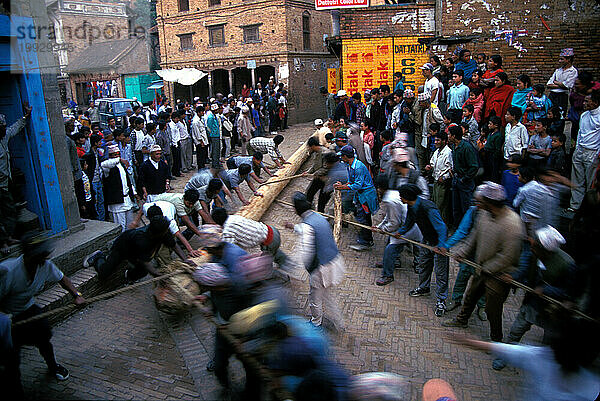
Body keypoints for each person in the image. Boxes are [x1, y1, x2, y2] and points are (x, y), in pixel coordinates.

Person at [1, 234, 85, 397]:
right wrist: (3, 318)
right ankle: (15, 387)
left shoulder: (45, 265)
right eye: (39, 255)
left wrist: (77, 294)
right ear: (28, 255)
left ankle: (53, 366)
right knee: (12, 355)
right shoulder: (7, 270)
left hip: (28, 308)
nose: (44, 257)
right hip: (7, 317)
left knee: (44, 337)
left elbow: (63, 279)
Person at [442, 182, 525, 343]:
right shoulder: (483, 215)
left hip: (498, 276)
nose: (477, 204)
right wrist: (463, 252)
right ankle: (462, 320)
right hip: (481, 268)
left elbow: (508, 256)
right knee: (470, 296)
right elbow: (474, 236)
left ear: (490, 203)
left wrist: (487, 268)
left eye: (480, 202)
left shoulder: (512, 224)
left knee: (492, 310)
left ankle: (496, 340)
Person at [492, 225, 582, 371]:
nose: (532, 247)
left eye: (536, 246)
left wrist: (546, 290)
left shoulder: (567, 265)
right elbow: (524, 270)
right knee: (516, 330)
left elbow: (569, 293)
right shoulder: (533, 253)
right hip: (533, 303)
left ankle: (543, 367)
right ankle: (506, 356)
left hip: (553, 311)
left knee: (548, 342)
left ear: (546, 251)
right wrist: (513, 277)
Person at [452, 321, 600, 401]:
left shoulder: (592, 388)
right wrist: (468, 342)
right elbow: (505, 349)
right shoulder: (542, 357)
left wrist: (468, 342)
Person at [287, 192, 346, 330]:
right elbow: (307, 230)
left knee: (315, 297)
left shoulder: (307, 225)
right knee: (327, 295)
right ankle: (339, 322)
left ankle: (315, 323)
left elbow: (306, 252)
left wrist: (298, 269)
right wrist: (294, 227)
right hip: (334, 261)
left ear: (296, 209)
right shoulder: (317, 217)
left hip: (322, 268)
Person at [84, 215, 195, 284]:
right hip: (122, 248)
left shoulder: (163, 232)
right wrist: (158, 275)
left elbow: (174, 245)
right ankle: (98, 257)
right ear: (157, 233)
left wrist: (185, 260)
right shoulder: (142, 239)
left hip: (136, 252)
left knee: (142, 272)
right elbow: (145, 262)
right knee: (104, 273)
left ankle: (128, 277)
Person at [396, 184, 449, 316]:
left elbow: (441, 228)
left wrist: (441, 245)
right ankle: (424, 287)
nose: (400, 198)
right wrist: (401, 232)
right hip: (426, 241)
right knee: (424, 265)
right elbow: (409, 221)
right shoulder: (411, 206)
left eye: (401, 196)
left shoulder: (428, 207)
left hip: (439, 244)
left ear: (407, 197)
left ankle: (441, 300)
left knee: (440, 273)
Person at [442, 188, 486, 321]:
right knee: (462, 276)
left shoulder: (496, 217)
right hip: (470, 253)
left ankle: (481, 306)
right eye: (476, 201)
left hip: (485, 257)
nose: (477, 204)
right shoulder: (473, 212)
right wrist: (446, 246)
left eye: (480, 201)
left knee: (482, 284)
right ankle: (456, 299)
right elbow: (462, 231)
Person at [373, 176, 422, 286]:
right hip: (407, 225)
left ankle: (387, 275)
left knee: (390, 248)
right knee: (390, 242)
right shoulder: (392, 194)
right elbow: (389, 216)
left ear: (380, 188)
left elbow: (394, 222)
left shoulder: (390, 200)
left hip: (410, 227)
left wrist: (383, 229)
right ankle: (391, 262)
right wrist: (379, 226)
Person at [212, 207, 288, 270]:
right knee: (273, 252)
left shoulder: (227, 231)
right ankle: (286, 263)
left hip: (270, 241)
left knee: (264, 268)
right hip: (272, 231)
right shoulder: (233, 217)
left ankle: (279, 278)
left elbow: (227, 249)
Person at [334, 145, 379, 251]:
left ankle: (365, 242)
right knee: (362, 216)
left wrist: (343, 187)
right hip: (360, 195)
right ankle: (366, 239)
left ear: (345, 156)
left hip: (366, 196)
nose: (341, 158)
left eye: (342, 156)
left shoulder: (358, 167)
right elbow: (351, 182)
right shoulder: (350, 166)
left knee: (363, 218)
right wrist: (343, 185)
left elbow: (357, 185)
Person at [567, 91, 600, 212]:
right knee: (577, 180)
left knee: (590, 182)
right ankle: (575, 206)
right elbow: (580, 133)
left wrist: (597, 154)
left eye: (587, 101)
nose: (584, 103)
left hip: (592, 152)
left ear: (595, 102)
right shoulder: (584, 115)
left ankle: (587, 209)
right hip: (580, 150)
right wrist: (577, 149)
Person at [100, 145, 138, 231]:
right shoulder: (108, 167)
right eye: (114, 154)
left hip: (127, 200)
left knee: (129, 226)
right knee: (121, 227)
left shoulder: (122, 165)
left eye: (118, 154)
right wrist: (119, 160)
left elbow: (127, 182)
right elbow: (103, 164)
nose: (117, 156)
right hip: (117, 202)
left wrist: (134, 193)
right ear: (110, 156)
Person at [448, 125, 478, 224]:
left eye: (449, 134)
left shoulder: (467, 148)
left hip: (464, 182)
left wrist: (465, 178)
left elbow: (474, 167)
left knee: (466, 208)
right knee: (456, 207)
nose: (448, 136)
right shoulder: (454, 146)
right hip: (456, 179)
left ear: (454, 136)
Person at [426, 132, 453, 223]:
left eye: (438, 140)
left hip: (443, 182)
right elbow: (432, 163)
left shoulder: (448, 152)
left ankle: (443, 225)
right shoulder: (436, 152)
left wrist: (444, 177)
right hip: (436, 180)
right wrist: (429, 167)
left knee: (442, 205)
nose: (436, 142)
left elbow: (450, 169)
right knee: (436, 203)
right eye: (435, 140)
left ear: (444, 141)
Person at [547, 48, 578, 116]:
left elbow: (568, 85)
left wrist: (557, 83)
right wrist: (561, 85)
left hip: (562, 96)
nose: (560, 61)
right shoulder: (558, 70)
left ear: (568, 59)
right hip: (552, 95)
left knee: (560, 115)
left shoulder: (573, 71)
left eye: (562, 59)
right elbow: (549, 84)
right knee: (550, 113)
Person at [82, 134, 106, 221]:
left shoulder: (98, 153)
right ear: (95, 143)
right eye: (99, 142)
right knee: (95, 201)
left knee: (101, 201)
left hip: (99, 179)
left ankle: (102, 219)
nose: (101, 143)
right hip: (93, 181)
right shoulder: (89, 155)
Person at [481, 116, 504, 183]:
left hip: (492, 156)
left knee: (493, 172)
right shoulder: (490, 133)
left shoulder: (498, 136)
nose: (488, 125)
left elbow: (497, 149)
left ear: (496, 125)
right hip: (487, 155)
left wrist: (494, 157)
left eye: (490, 124)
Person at [191, 105, 208, 170]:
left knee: (203, 155)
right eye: (202, 112)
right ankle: (200, 168)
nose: (203, 113)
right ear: (198, 112)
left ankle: (203, 166)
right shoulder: (195, 121)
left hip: (203, 140)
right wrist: (201, 141)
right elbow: (197, 133)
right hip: (200, 142)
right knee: (200, 156)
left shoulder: (200, 119)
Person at [205, 104, 221, 169]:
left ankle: (217, 162)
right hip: (213, 135)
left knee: (217, 149)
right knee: (215, 150)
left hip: (216, 134)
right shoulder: (210, 117)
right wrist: (211, 134)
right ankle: (215, 164)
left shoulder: (214, 116)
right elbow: (209, 127)